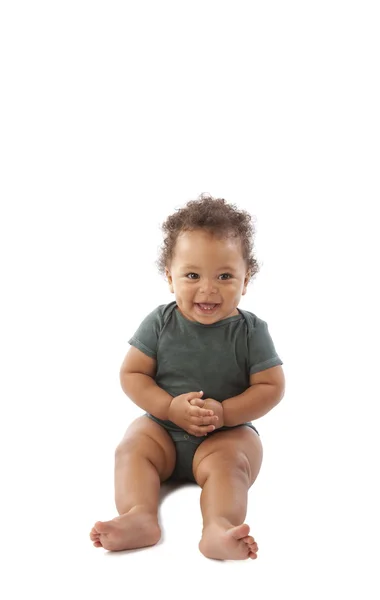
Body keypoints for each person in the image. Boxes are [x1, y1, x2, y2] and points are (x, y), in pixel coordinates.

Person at [89, 193, 285, 560]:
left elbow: (271, 387)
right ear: (169, 277)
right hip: (162, 429)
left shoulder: (251, 332)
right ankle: (139, 515)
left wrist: (225, 413)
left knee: (232, 464)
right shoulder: (160, 323)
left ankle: (219, 528)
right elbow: (132, 373)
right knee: (133, 446)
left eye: (225, 276)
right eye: (192, 275)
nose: (208, 289)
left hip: (225, 436)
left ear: (246, 281)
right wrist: (168, 407)